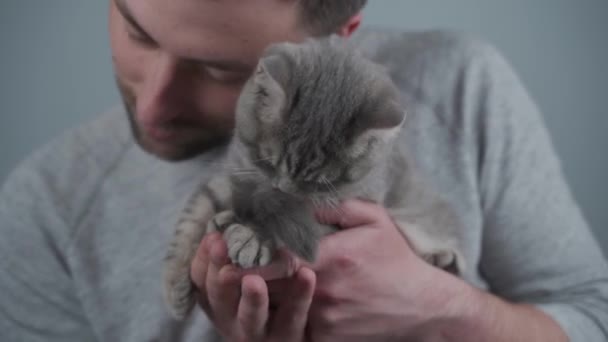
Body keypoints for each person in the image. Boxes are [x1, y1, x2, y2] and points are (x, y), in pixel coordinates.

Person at [1, 0, 607, 341]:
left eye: (222, 72)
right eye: (136, 30)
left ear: (338, 36)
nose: (155, 103)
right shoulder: (48, 210)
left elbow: (593, 314)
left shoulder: (459, 88)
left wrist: (449, 308)